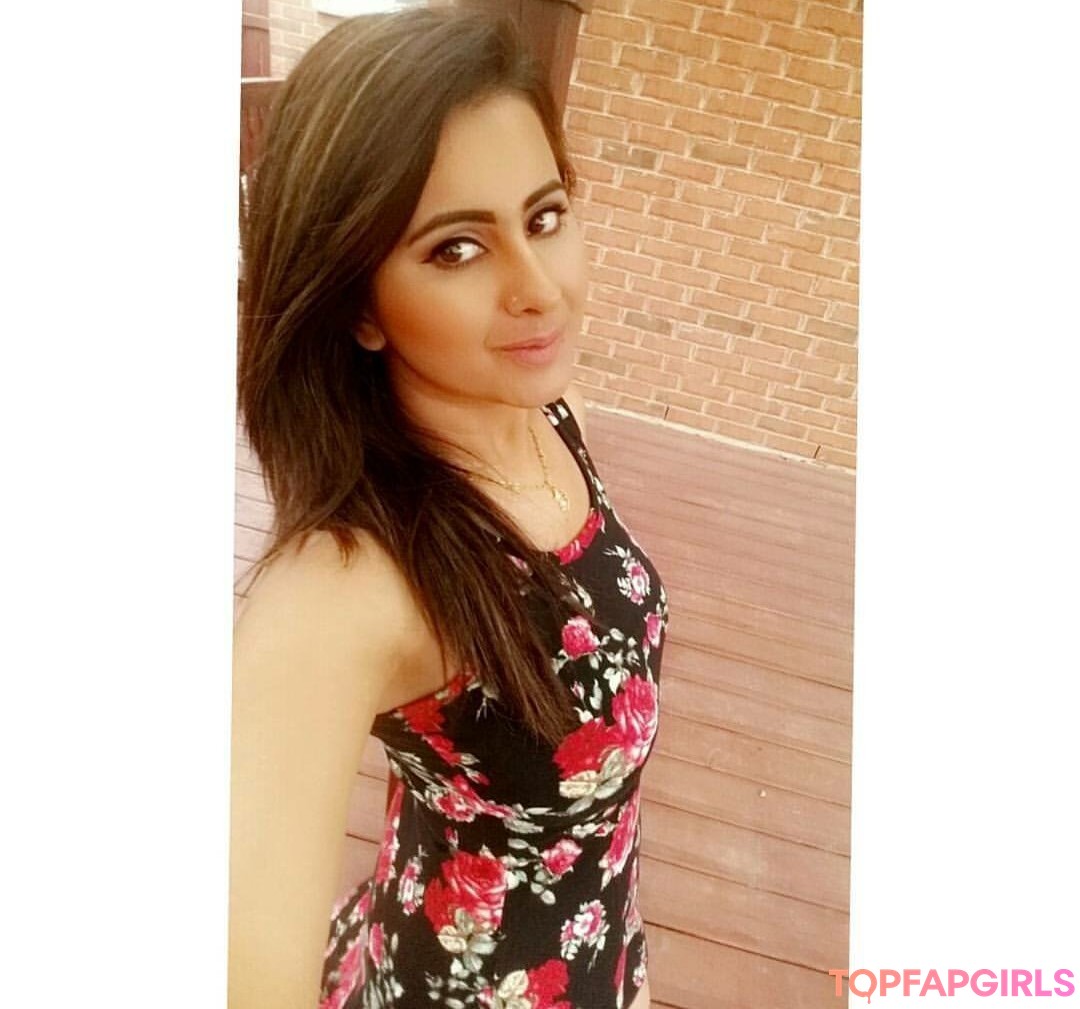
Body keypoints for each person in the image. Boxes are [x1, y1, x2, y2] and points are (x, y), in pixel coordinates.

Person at [231, 9, 668, 1009]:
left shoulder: (550, 412)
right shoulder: (348, 584)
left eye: (544, 218)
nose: (538, 289)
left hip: (602, 953)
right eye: (457, 248)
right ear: (357, 302)